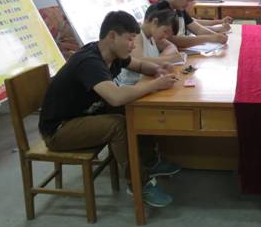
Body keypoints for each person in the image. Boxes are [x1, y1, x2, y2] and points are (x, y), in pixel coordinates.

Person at [38, 11, 179, 207]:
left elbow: (138, 65)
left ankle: (150, 162)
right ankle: (139, 184)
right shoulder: (90, 61)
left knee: (136, 112)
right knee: (118, 124)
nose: (133, 45)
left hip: (83, 116)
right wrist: (154, 85)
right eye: (130, 39)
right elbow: (115, 97)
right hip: (59, 130)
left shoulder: (112, 54)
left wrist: (157, 70)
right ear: (112, 36)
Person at [116, 6, 184, 86]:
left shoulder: (153, 36)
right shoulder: (137, 35)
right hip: (133, 85)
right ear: (155, 22)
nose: (165, 36)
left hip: (147, 80)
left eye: (168, 35)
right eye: (165, 31)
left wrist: (161, 59)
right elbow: (138, 60)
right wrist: (170, 59)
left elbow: (172, 46)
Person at [154, 0, 228, 48]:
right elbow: (172, 40)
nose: (188, 4)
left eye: (191, 1)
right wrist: (210, 38)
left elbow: (198, 29)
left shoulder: (179, 8)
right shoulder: (160, 9)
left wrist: (217, 36)